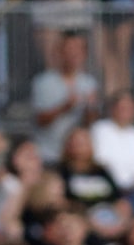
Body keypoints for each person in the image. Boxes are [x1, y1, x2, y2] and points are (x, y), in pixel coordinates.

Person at [91, 90, 134, 225]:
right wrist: (117, 189)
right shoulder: (100, 129)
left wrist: (131, 187)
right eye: (121, 107)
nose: (124, 111)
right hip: (107, 187)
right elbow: (99, 163)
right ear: (112, 109)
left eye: (128, 108)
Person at [32, 30, 99, 162]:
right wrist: (65, 107)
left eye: (78, 50)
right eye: (69, 49)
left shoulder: (89, 83)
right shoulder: (43, 82)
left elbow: (90, 125)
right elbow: (40, 120)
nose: (73, 54)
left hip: (76, 158)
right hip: (49, 155)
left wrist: (90, 109)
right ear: (60, 52)